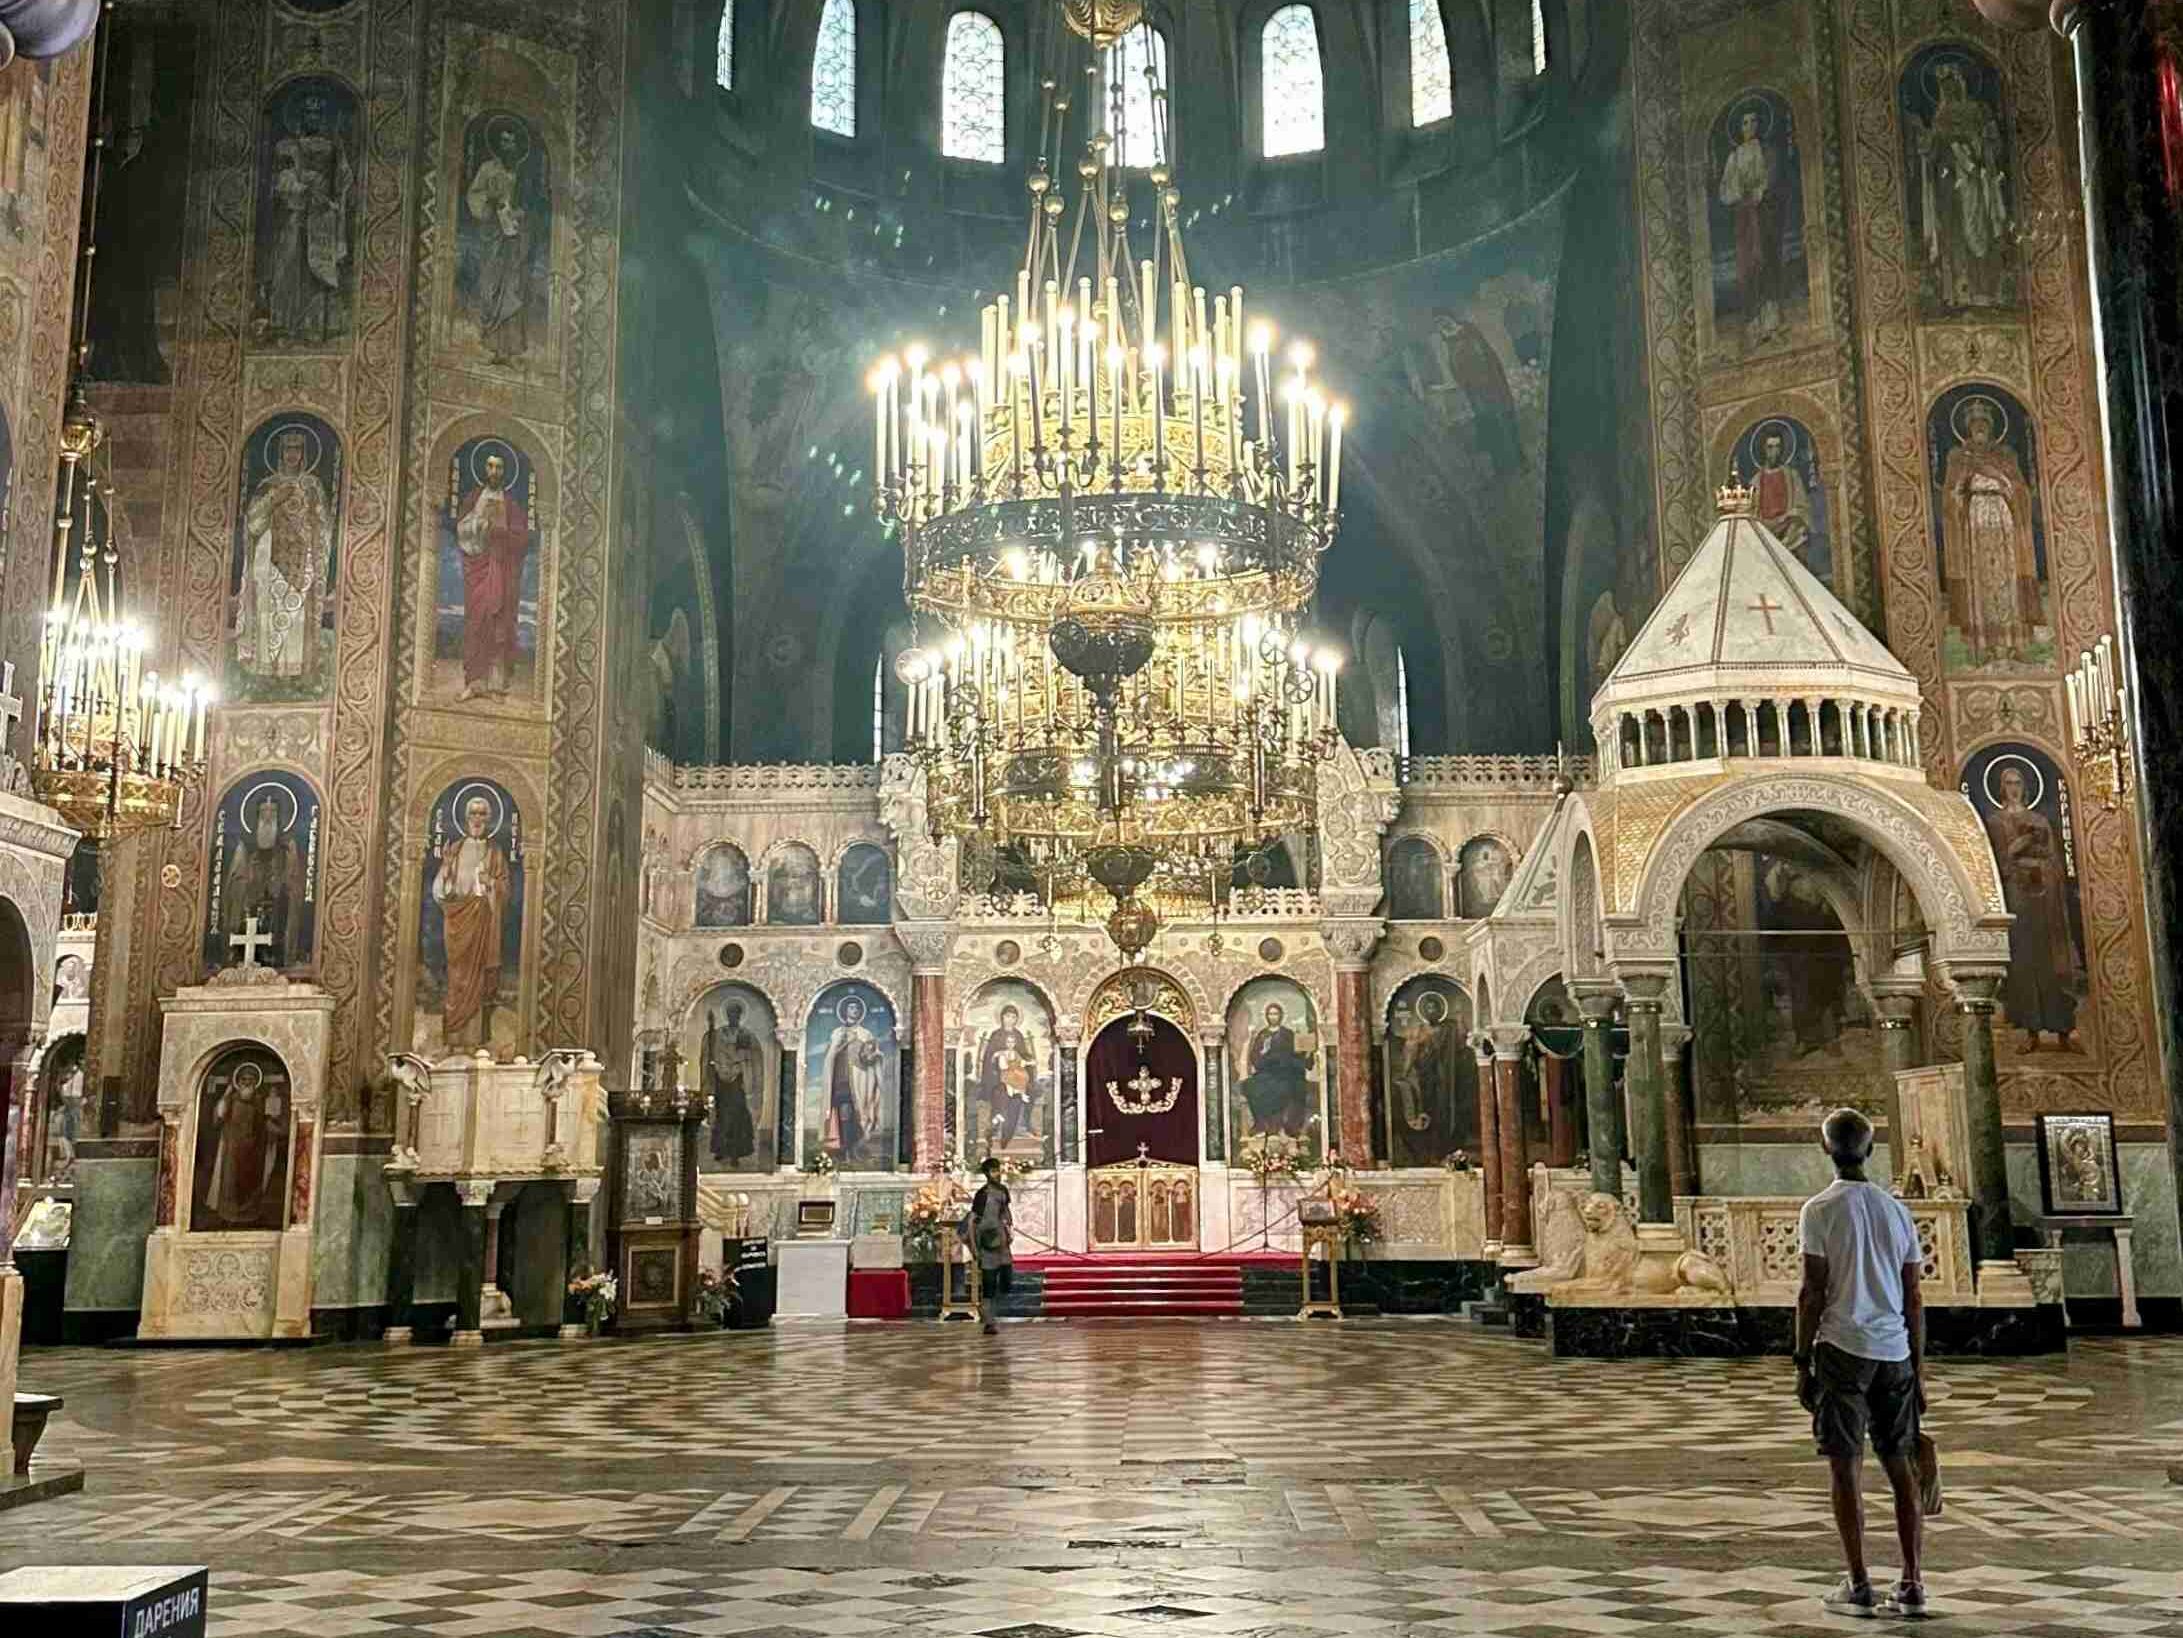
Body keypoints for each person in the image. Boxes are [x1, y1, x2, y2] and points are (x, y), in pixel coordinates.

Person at [1796, 1107, 1927, 1619]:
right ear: (1870, 1150)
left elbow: (1812, 1291)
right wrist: (1918, 1370)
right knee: (1901, 1466)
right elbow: (1913, 1296)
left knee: (1845, 1466)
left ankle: (1858, 1583)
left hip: (1841, 1350)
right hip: (1894, 1352)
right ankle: (1912, 1583)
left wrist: (1801, 1360)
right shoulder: (1897, 1211)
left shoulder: (1819, 1210)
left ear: (1825, 1149)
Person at [1981, 763, 2079, 1050]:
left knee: (2051, 962)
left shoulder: (2040, 820)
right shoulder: (1995, 821)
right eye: (2009, 783)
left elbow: (2055, 860)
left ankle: (2063, 1031)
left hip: (2045, 898)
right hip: (2018, 898)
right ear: (2001, 788)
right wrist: (2023, 843)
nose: (2013, 788)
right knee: (2025, 962)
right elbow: (1998, 861)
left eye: (2018, 783)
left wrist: (2044, 867)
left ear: (2025, 787)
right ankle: (2031, 1033)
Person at [235, 428, 334, 686]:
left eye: (297, 449)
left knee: (298, 615)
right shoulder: (268, 485)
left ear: (303, 454)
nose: (292, 454)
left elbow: (324, 524)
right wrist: (273, 499)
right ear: (281, 452)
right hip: (270, 559)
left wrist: (313, 519)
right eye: (288, 449)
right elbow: (253, 523)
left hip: (303, 559)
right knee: (268, 612)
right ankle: (265, 672)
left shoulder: (312, 486)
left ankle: (297, 672)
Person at [429, 793, 513, 1050]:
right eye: (473, 813)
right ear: (466, 818)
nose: (477, 818)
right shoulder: (454, 849)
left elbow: (505, 891)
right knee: (457, 978)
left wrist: (492, 884)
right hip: (457, 920)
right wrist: (446, 868)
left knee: (479, 979)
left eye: (482, 814)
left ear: (489, 819)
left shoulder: (495, 852)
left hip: (483, 921)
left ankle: (474, 1041)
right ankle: (454, 1039)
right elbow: (440, 891)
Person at [452, 450, 531, 699]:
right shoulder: (474, 498)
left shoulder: (512, 505)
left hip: (502, 570)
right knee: (477, 622)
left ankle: (496, 685)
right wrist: (480, 524)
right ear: (484, 469)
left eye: (499, 467)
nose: (494, 471)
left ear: (505, 471)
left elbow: (522, 539)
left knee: (499, 623)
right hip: (478, 569)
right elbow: (461, 530)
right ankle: (475, 683)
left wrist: (501, 532)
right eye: (490, 466)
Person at [964, 1156, 1014, 1335]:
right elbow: (972, 1221)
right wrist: (974, 1248)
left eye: (998, 1170)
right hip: (987, 1244)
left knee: (1006, 1279)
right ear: (986, 1173)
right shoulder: (982, 1194)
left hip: (1002, 1243)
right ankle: (989, 1321)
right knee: (989, 1284)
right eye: (993, 1171)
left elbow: (1006, 1212)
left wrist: (1009, 1228)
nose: (997, 1174)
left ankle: (991, 1314)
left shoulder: (1003, 1190)